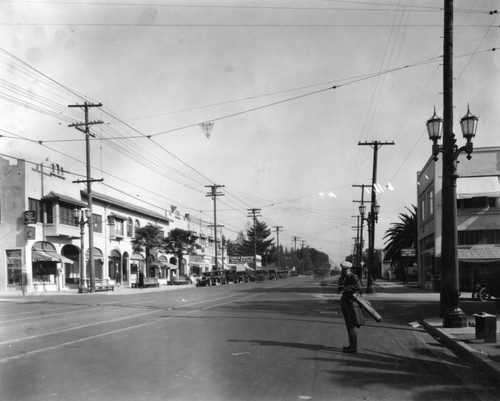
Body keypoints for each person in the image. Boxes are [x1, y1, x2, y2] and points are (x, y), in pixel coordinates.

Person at [338, 261, 365, 353]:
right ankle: (352, 345)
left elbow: (358, 286)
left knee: (351, 325)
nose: (343, 270)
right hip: (347, 303)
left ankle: (353, 347)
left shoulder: (353, 277)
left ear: (348, 269)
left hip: (352, 304)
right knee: (349, 325)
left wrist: (346, 288)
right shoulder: (345, 277)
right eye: (342, 269)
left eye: (344, 269)